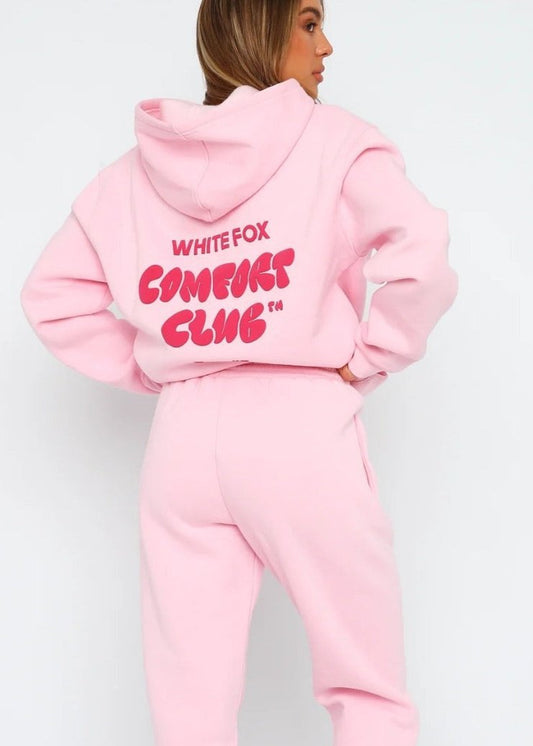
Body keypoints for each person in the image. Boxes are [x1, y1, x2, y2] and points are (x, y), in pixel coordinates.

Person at [19, 1, 459, 744]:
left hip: (183, 440)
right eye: (309, 22)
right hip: (299, 430)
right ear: (258, 28)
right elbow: (423, 258)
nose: (327, 45)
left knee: (189, 710)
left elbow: (52, 296)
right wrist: (367, 358)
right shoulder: (336, 144)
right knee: (366, 685)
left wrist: (159, 366)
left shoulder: (133, 173)